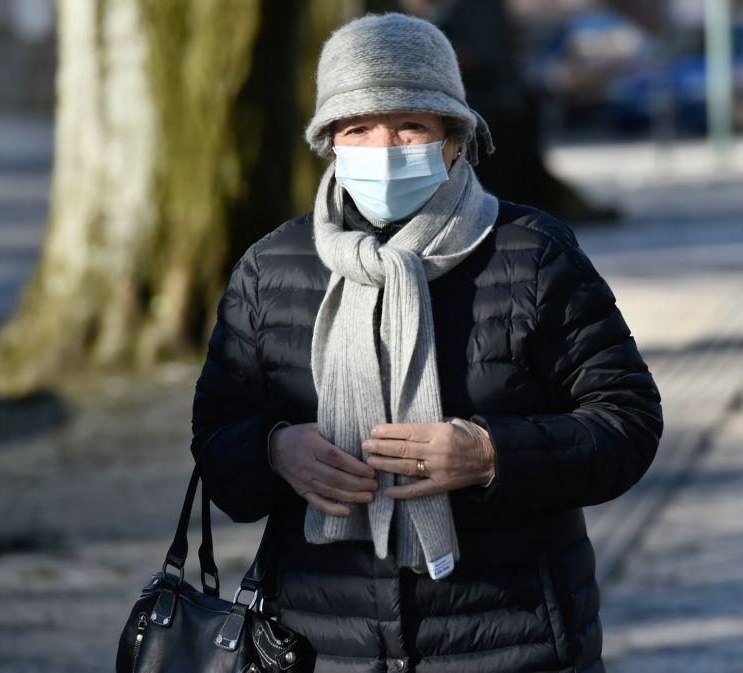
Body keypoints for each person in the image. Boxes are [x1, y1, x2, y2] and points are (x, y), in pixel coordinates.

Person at [191, 12, 663, 673]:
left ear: (452, 139)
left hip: (514, 642)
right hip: (324, 647)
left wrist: (494, 453)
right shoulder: (272, 269)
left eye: (408, 125)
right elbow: (217, 445)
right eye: (357, 127)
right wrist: (274, 450)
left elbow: (627, 424)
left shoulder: (530, 255)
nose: (382, 148)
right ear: (329, 141)